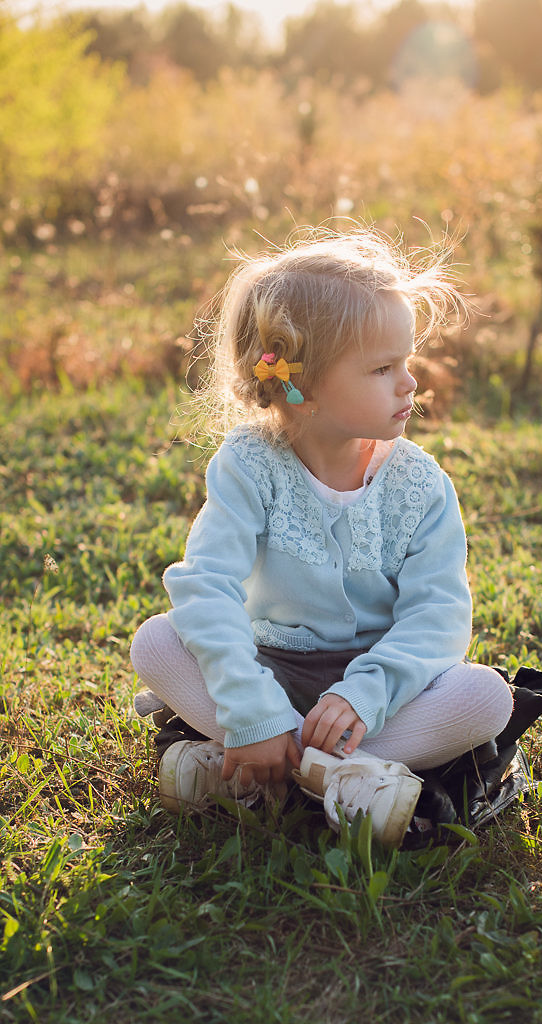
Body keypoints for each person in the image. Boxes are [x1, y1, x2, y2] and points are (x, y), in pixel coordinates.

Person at [130, 227, 514, 847]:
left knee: (485, 698)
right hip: (271, 668)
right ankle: (323, 771)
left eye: (407, 362)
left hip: (379, 690)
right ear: (300, 386)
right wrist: (253, 706)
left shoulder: (420, 484)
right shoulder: (249, 465)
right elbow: (207, 586)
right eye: (383, 368)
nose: (409, 383)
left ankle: (267, 771)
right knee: (155, 643)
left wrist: (365, 695)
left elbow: (438, 614)